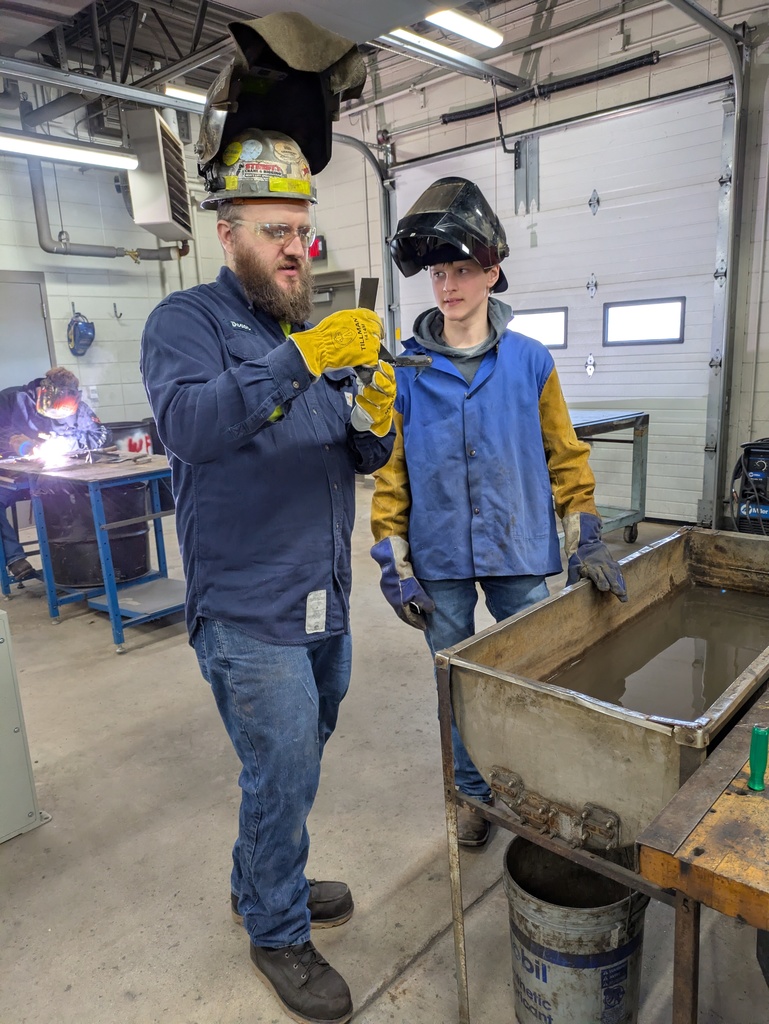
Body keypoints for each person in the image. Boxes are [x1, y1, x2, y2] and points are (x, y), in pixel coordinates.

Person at [140, 126, 395, 1024]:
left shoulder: (304, 328)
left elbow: (351, 451)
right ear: (228, 234)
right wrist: (305, 359)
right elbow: (193, 427)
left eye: (302, 233)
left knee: (294, 766)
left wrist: (374, 406)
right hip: (250, 612)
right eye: (274, 232)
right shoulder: (187, 324)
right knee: (279, 773)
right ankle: (276, 929)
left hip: (324, 599)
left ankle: (265, 877)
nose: (295, 248)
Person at [370, 176, 627, 847]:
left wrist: (588, 539)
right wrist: (394, 564)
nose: (447, 286)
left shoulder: (530, 362)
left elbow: (565, 458)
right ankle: (473, 796)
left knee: (537, 671)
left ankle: (537, 786)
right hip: (440, 558)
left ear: (491, 274)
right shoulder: (404, 371)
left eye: (461, 270)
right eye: (436, 273)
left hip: (518, 549)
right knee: (455, 683)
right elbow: (390, 477)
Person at [0, 366, 109, 581]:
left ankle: (79, 559)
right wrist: (17, 441)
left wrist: (68, 442)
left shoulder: (78, 406)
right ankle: (14, 559)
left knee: (86, 499)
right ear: (44, 392)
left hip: (61, 478)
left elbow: (102, 435)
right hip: (16, 478)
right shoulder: (12, 400)